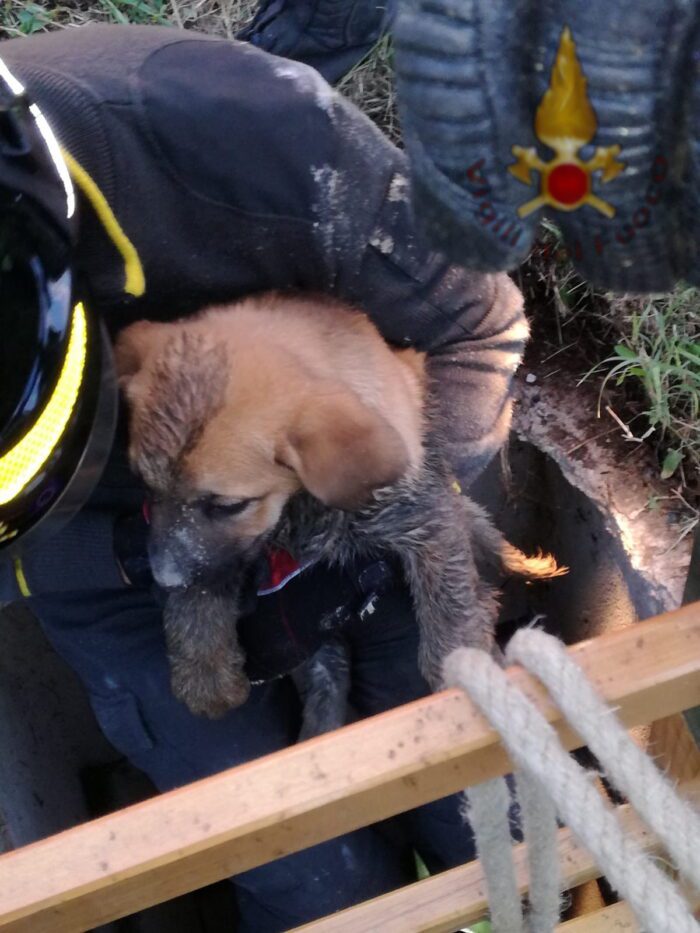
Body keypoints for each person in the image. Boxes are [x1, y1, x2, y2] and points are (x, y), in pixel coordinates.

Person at [0, 23, 526, 931]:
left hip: (350, 496)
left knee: (484, 815)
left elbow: (481, 328)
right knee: (313, 876)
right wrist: (132, 555)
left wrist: (372, 511)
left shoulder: (239, 141)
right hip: (105, 561)